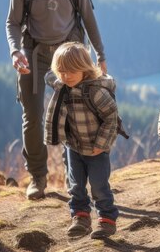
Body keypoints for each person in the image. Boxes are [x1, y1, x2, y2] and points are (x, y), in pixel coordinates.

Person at [5, 0, 107, 200]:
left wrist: (100, 55)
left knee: (73, 116)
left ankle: (74, 179)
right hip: (34, 54)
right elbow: (12, 23)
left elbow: (89, 20)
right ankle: (38, 177)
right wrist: (16, 51)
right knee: (33, 118)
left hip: (68, 55)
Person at [44, 42, 118, 239]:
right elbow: (49, 76)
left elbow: (111, 118)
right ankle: (80, 217)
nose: (65, 76)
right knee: (75, 185)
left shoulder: (95, 91)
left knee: (98, 185)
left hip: (96, 149)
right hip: (73, 146)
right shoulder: (63, 87)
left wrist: (101, 145)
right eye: (61, 71)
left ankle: (106, 220)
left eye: (70, 71)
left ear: (84, 69)